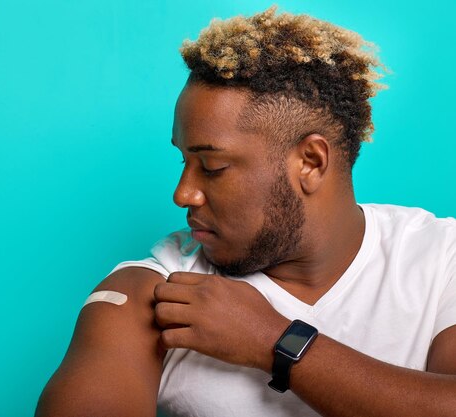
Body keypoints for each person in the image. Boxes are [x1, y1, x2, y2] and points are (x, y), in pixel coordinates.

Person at [36, 6, 456, 417]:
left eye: (213, 167)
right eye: (184, 161)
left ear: (310, 162)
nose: (183, 194)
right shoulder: (156, 292)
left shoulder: (441, 258)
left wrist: (273, 339)